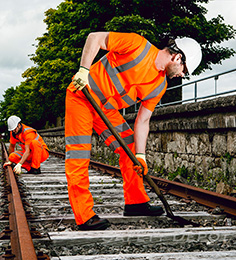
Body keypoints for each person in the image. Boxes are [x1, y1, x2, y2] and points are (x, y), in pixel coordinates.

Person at [65, 32, 202, 231]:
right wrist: (83, 70)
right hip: (81, 97)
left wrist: (141, 155)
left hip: (106, 110)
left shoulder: (160, 85)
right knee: (79, 154)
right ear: (178, 57)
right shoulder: (137, 45)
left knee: (131, 150)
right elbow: (94, 38)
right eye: (184, 70)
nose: (182, 75)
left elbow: (143, 120)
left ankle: (136, 203)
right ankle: (84, 215)